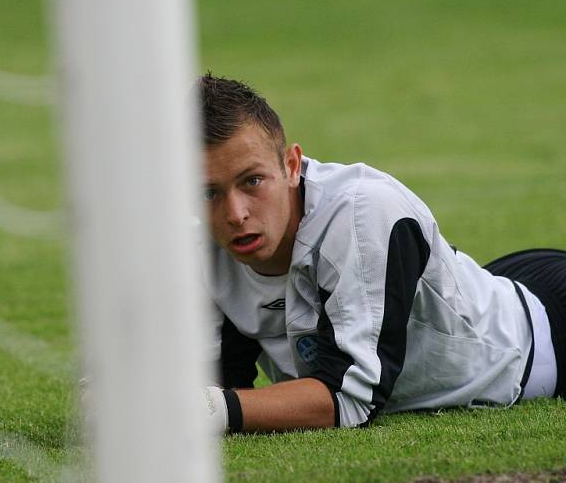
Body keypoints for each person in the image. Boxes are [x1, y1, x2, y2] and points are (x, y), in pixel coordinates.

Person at [198, 74, 566, 433]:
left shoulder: (361, 214)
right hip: (484, 294)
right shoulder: (192, 249)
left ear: (291, 166)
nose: (235, 214)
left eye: (252, 181)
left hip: (544, 329)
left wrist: (212, 409)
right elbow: (216, 382)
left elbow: (350, 400)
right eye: (208, 192)